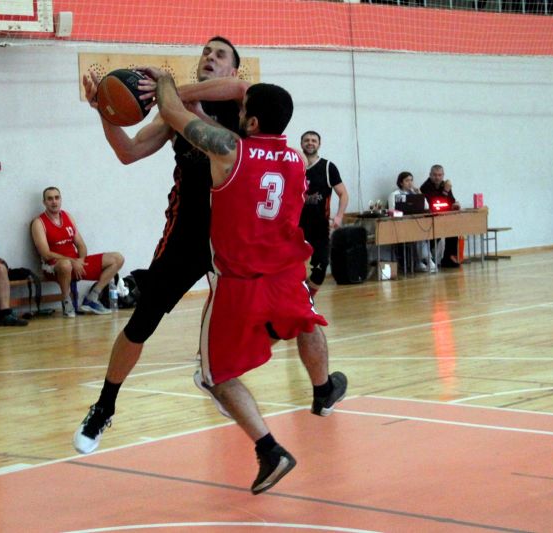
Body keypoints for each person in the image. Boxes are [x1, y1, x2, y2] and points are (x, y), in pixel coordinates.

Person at [150, 72, 347, 494]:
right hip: (286, 275)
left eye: (242, 111)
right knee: (307, 322)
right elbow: (244, 145)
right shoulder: (297, 160)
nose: (237, 116)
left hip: (239, 284)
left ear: (252, 122)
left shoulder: (228, 151)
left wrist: (164, 79)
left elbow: (169, 110)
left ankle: (269, 450)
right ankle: (323, 389)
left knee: (214, 376)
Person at [72, 36, 251, 453]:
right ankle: (104, 406)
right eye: (205, 52)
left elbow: (241, 91)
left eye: (219, 54)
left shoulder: (242, 104)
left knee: (258, 316)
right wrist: (104, 109)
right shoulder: (174, 116)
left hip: (234, 233)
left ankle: (213, 372)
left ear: (232, 68)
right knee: (143, 321)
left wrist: (167, 91)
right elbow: (128, 151)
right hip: (187, 232)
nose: (209, 57)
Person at [31, 186, 124, 317]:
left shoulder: (67, 216)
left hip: (75, 263)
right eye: (50, 199)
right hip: (54, 267)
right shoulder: (38, 223)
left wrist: (80, 261)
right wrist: (72, 261)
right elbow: (46, 254)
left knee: (117, 258)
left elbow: (81, 245)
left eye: (57, 198)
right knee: (65, 264)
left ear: (61, 199)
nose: (54, 201)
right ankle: (66, 302)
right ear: (44, 202)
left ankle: (92, 298)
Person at [298, 131, 349, 297]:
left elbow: (343, 194)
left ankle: (307, 297)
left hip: (319, 226)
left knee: (321, 266)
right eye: (307, 140)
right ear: (301, 144)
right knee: (290, 267)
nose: (310, 143)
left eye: (314, 140)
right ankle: (295, 299)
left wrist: (339, 216)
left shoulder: (328, 167)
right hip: (295, 226)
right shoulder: (295, 165)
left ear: (319, 144)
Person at [387, 171, 436, 273]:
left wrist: (420, 194)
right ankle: (421, 261)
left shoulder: (414, 194)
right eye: (407, 180)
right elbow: (392, 210)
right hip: (400, 225)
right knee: (416, 235)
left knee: (421, 235)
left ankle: (426, 260)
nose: (410, 183)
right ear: (401, 182)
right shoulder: (394, 194)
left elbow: (426, 207)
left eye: (411, 180)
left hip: (415, 224)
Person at [420, 164, 461, 268]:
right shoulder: (425, 187)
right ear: (430, 175)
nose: (437, 177)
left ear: (443, 175)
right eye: (435, 175)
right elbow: (435, 204)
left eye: (439, 175)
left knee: (454, 230)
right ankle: (430, 259)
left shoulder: (445, 185)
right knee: (439, 234)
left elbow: (451, 201)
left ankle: (449, 258)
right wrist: (445, 191)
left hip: (444, 218)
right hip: (430, 221)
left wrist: (455, 205)